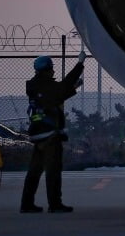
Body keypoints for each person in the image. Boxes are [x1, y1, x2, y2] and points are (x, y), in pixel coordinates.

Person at [21, 51, 85, 213]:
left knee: (34, 171)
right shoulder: (47, 85)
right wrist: (80, 64)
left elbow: (56, 96)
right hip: (50, 134)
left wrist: (73, 88)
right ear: (48, 70)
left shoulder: (36, 86)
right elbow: (62, 87)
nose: (54, 71)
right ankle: (55, 203)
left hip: (37, 134)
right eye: (52, 69)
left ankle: (26, 203)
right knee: (53, 170)